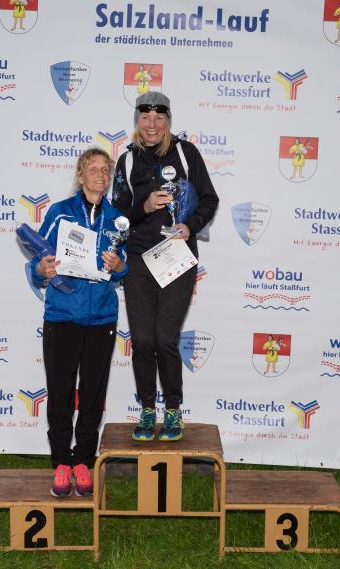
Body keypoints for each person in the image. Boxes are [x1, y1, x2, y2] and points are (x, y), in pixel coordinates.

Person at [112, 92, 219, 442]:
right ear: (137, 120)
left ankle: (173, 410)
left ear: (168, 120)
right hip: (139, 261)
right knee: (143, 340)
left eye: (159, 117)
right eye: (145, 117)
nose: (152, 124)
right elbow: (117, 216)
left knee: (165, 339)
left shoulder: (187, 154)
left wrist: (191, 225)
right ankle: (147, 409)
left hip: (177, 258)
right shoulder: (127, 161)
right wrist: (143, 207)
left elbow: (209, 198)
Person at [29, 148, 128, 497]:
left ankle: (84, 461)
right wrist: (41, 270)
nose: (100, 174)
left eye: (105, 169)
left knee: (92, 395)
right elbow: (39, 259)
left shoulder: (118, 219)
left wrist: (120, 267)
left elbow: (123, 266)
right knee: (59, 393)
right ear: (80, 175)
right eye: (93, 168)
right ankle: (61, 463)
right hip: (62, 316)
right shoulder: (60, 212)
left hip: (102, 318)